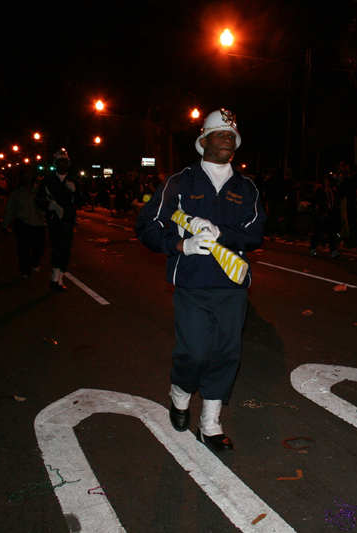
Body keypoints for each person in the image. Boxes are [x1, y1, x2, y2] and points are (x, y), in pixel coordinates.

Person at [136, 109, 266, 453]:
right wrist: (180, 244)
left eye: (231, 135)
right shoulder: (180, 182)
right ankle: (179, 393)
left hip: (232, 286)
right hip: (192, 284)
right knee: (194, 353)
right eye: (219, 133)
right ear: (203, 141)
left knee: (226, 354)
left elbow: (256, 233)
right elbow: (148, 225)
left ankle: (210, 421)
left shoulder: (246, 187)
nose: (227, 138)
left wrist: (224, 234)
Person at [35, 149, 82, 291]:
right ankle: (55, 276)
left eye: (65, 162)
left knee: (66, 248)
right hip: (54, 219)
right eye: (60, 161)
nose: (62, 164)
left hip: (67, 219)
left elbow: (80, 202)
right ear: (55, 163)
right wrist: (48, 206)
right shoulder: (48, 181)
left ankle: (59, 279)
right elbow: (38, 199)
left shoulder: (73, 181)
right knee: (58, 246)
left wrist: (75, 191)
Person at [2, 169, 46, 279]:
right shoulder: (17, 193)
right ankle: (25, 270)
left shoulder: (39, 189)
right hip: (22, 223)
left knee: (39, 247)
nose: (27, 178)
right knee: (23, 249)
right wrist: (5, 224)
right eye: (25, 176)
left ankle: (34, 262)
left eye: (29, 175)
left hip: (38, 223)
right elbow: (10, 209)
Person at [310, 176, 341, 258]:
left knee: (331, 233)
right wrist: (319, 211)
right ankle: (313, 248)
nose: (327, 183)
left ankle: (333, 251)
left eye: (328, 181)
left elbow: (335, 201)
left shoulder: (332, 191)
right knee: (318, 232)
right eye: (325, 181)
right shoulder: (319, 191)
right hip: (322, 214)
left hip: (330, 214)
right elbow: (314, 202)